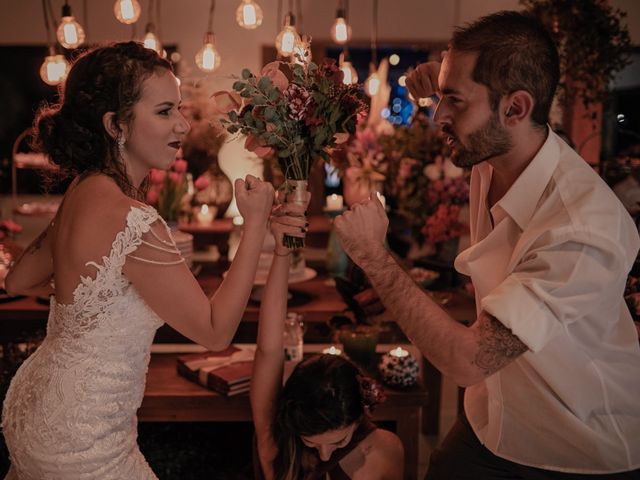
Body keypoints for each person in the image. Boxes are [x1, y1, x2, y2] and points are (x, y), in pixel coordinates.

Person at [335, 10, 640, 479]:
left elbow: (468, 360)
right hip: (497, 415)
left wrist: (376, 258)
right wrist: (441, 80)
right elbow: (474, 99)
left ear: (516, 108)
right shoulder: (493, 153)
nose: (440, 115)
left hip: (573, 444)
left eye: (454, 101)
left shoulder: (581, 227)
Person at [0, 41, 284, 479]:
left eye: (180, 110)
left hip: (35, 406)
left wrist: (95, 304)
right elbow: (214, 331)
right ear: (116, 124)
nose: (184, 126)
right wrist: (255, 224)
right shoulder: (132, 220)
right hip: (80, 433)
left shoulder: (84, 188)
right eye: (166, 111)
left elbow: (19, 281)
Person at [251, 199, 403, 480]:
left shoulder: (384, 452)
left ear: (359, 418)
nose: (324, 455)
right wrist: (282, 253)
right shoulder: (278, 446)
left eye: (339, 441)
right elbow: (268, 349)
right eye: (310, 442)